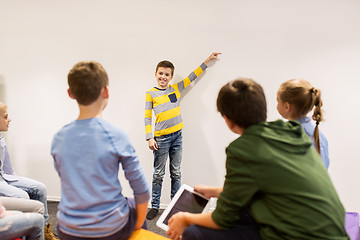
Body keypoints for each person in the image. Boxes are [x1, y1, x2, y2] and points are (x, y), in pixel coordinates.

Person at [166, 78, 349, 240]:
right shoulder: (291, 130)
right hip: (335, 230)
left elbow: (223, 219)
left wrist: (186, 218)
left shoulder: (241, 149)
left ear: (227, 120)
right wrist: (218, 191)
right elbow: (271, 186)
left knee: (193, 232)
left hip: (298, 234)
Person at [51, 61, 150, 240]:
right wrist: (136, 226)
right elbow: (142, 190)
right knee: (136, 205)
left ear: (70, 94)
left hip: (68, 230)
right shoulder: (116, 136)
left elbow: (68, 178)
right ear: (106, 91)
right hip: (111, 230)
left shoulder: (59, 138)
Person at [145, 52, 221, 219]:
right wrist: (149, 137)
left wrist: (206, 62)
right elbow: (147, 117)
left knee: (176, 172)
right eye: (160, 73)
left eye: (167, 74)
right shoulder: (151, 93)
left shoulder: (176, 88)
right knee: (158, 174)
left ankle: (175, 206)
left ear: (171, 76)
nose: (163, 77)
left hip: (177, 136)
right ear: (155, 74)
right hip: (161, 139)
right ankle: (155, 206)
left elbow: (192, 77)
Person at [0, 102, 57, 240]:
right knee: (22, 196)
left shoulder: (0, 137)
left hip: (4, 177)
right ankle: (25, 231)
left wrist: (14, 181)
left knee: (40, 188)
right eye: (5, 117)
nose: (10, 120)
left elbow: (7, 168)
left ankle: (44, 230)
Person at [277, 78, 329, 169]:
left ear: (286, 107)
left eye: (278, 101)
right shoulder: (320, 136)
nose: (277, 105)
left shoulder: (290, 135)